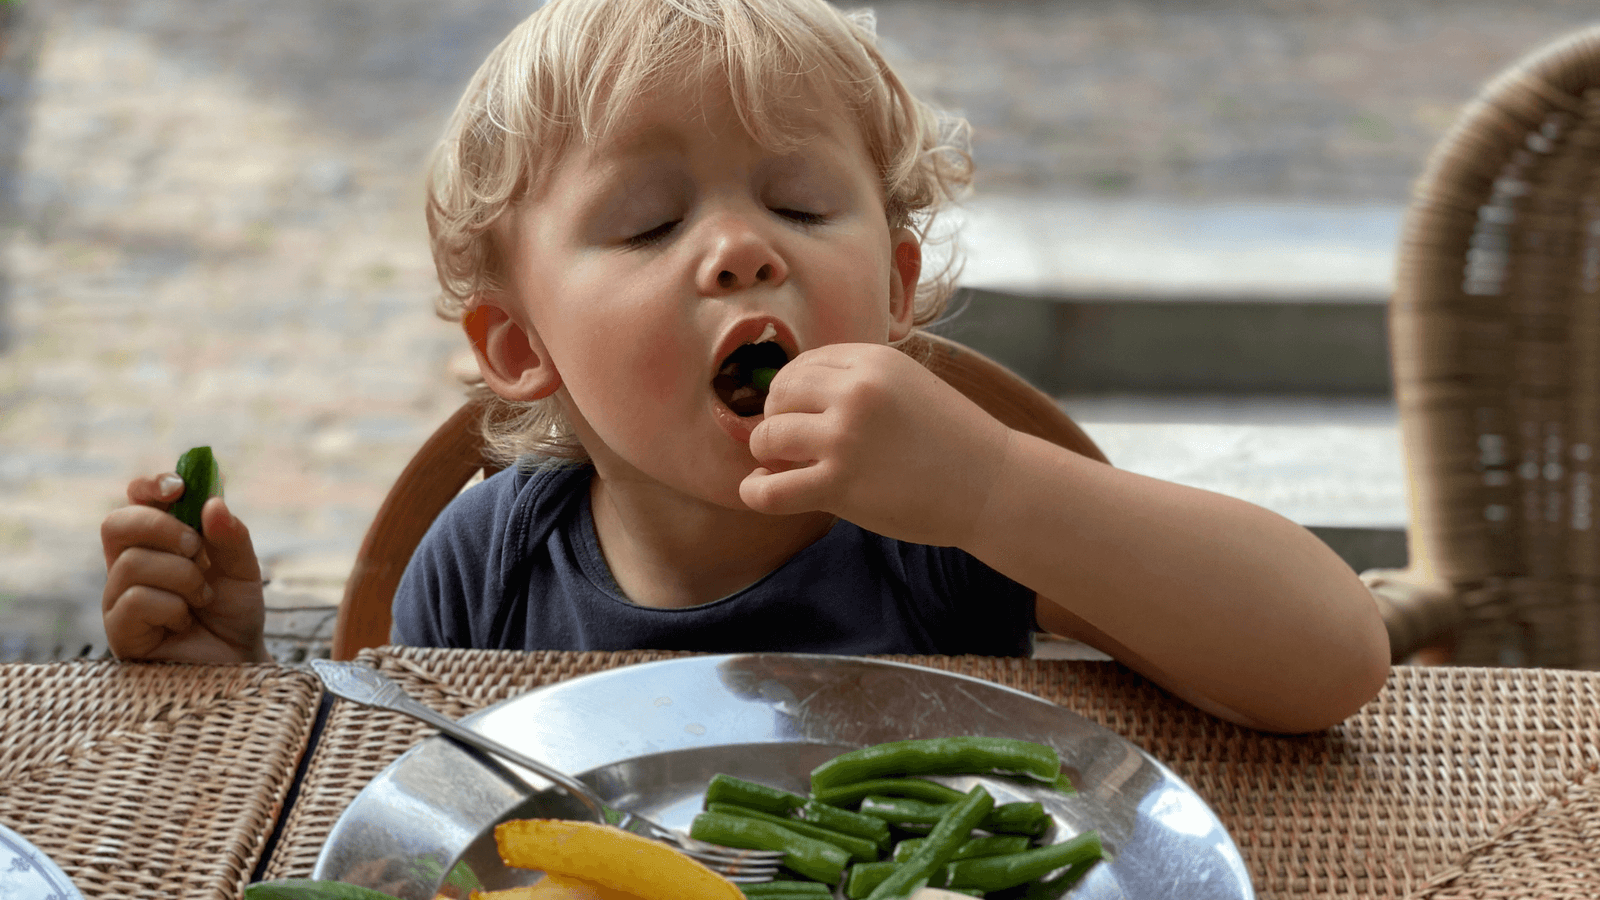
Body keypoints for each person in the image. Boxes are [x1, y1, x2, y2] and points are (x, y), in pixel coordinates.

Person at [99, 0, 1390, 733]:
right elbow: (401, 818)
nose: (739, 250)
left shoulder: (942, 531)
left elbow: (1332, 660)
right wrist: (233, 694)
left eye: (800, 205)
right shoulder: (490, 563)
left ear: (892, 289)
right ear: (523, 348)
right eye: (649, 225)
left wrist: (995, 487)